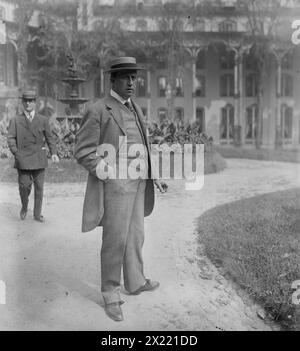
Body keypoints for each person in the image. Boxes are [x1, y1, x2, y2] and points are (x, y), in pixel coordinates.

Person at [74, 57, 167, 322]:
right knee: (115, 241)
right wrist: (109, 173)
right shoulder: (99, 109)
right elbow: (82, 152)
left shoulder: (135, 108)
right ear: (112, 79)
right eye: (125, 77)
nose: (130, 83)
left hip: (139, 184)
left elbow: (145, 147)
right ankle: (110, 293)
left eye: (133, 77)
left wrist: (155, 176)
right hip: (115, 186)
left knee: (136, 235)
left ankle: (136, 282)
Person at [6, 90, 59, 222]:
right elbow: (11, 138)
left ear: (35, 103)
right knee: (24, 186)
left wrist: (53, 153)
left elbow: (49, 138)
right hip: (22, 159)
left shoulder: (43, 120)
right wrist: (16, 152)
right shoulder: (15, 120)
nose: (28, 103)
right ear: (22, 102)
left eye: (31, 101)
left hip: (38, 158)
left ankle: (37, 214)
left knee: (40, 188)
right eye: (26, 101)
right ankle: (24, 207)